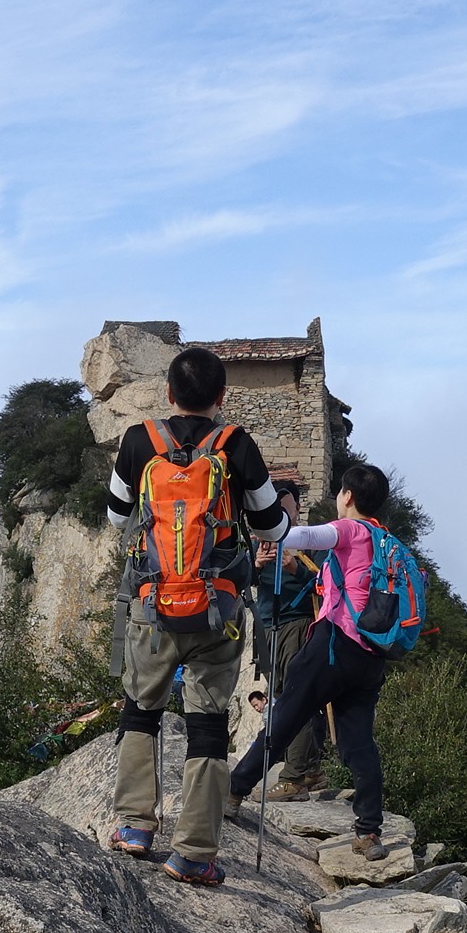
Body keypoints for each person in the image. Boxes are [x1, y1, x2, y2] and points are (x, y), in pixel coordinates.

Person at [105, 346, 289, 884]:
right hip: (218, 609)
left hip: (152, 604)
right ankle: (193, 853)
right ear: (222, 397)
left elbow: (117, 519)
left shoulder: (140, 441)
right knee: (207, 726)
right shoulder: (236, 445)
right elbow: (272, 527)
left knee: (141, 708)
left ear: (167, 393)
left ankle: (136, 827)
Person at [227, 459, 404, 858]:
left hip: (333, 644)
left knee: (285, 717)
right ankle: (369, 831)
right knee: (359, 742)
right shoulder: (389, 543)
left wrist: (262, 525)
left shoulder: (348, 529)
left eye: (341, 493)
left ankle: (235, 791)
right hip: (373, 655)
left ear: (348, 496)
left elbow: (300, 536)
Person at [249, 479, 329, 799]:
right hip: (268, 625)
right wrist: (255, 564)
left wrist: (296, 567)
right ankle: (309, 770)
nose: (280, 511)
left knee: (293, 698)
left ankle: (293, 776)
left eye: (286, 505)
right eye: (274, 505)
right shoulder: (259, 540)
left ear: (297, 507)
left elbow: (324, 585)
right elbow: (242, 581)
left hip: (298, 624)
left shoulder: (309, 541)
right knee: (285, 697)